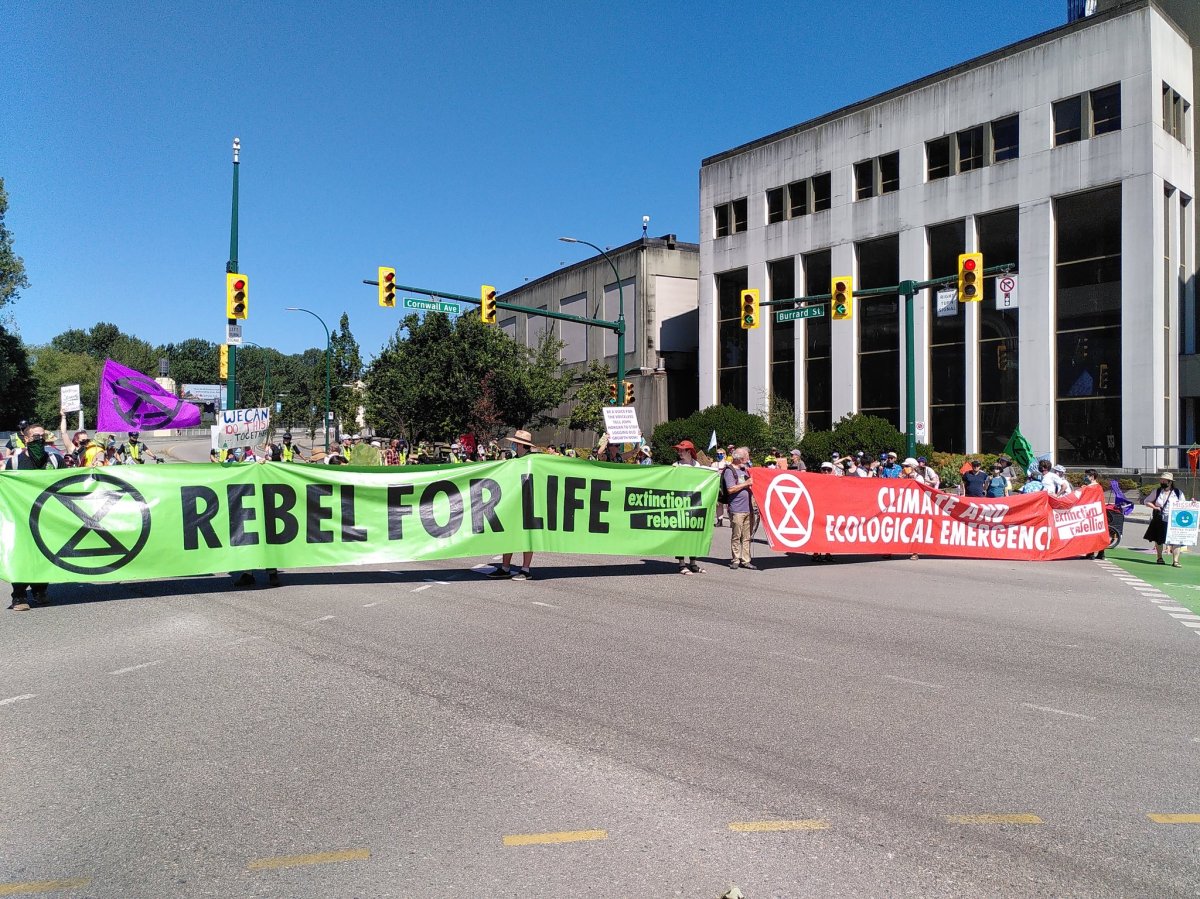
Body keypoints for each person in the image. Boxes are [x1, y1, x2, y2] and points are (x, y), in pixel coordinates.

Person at [5, 424, 61, 610]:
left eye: (42, 436)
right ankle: (19, 596)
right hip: (22, 517)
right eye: (35, 436)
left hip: (48, 517)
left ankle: (39, 589)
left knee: (44, 553)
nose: (40, 439)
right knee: (22, 554)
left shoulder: (54, 460)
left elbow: (67, 482)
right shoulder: (14, 462)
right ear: (26, 439)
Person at [487, 429, 538, 580]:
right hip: (514, 502)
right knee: (508, 534)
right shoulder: (514, 461)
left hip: (529, 502)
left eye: (516, 443)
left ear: (521, 445)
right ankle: (505, 567)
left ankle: (525, 569)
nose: (514, 445)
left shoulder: (534, 461)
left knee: (527, 536)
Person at [667, 439, 707, 575]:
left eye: (681, 450)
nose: (679, 452)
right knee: (681, 534)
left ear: (689, 451)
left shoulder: (697, 465)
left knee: (694, 533)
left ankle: (693, 563)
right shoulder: (675, 465)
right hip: (680, 503)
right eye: (678, 450)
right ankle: (681, 564)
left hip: (695, 503)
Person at [722, 447, 756, 570]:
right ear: (739, 459)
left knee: (747, 537)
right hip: (737, 509)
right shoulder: (729, 471)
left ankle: (746, 560)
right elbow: (730, 489)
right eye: (745, 458)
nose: (747, 460)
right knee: (737, 535)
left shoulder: (744, 470)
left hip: (748, 508)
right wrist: (746, 484)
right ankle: (735, 559)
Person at [1144, 471, 1185, 567]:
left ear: (1170, 482)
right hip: (1160, 518)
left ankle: (1175, 561)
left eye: (1164, 480)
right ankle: (1159, 557)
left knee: (1175, 540)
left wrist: (1192, 503)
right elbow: (1147, 501)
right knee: (1159, 539)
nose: (1161, 482)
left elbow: (1184, 505)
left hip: (1174, 520)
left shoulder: (1178, 493)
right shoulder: (1157, 491)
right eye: (1161, 480)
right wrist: (1155, 507)